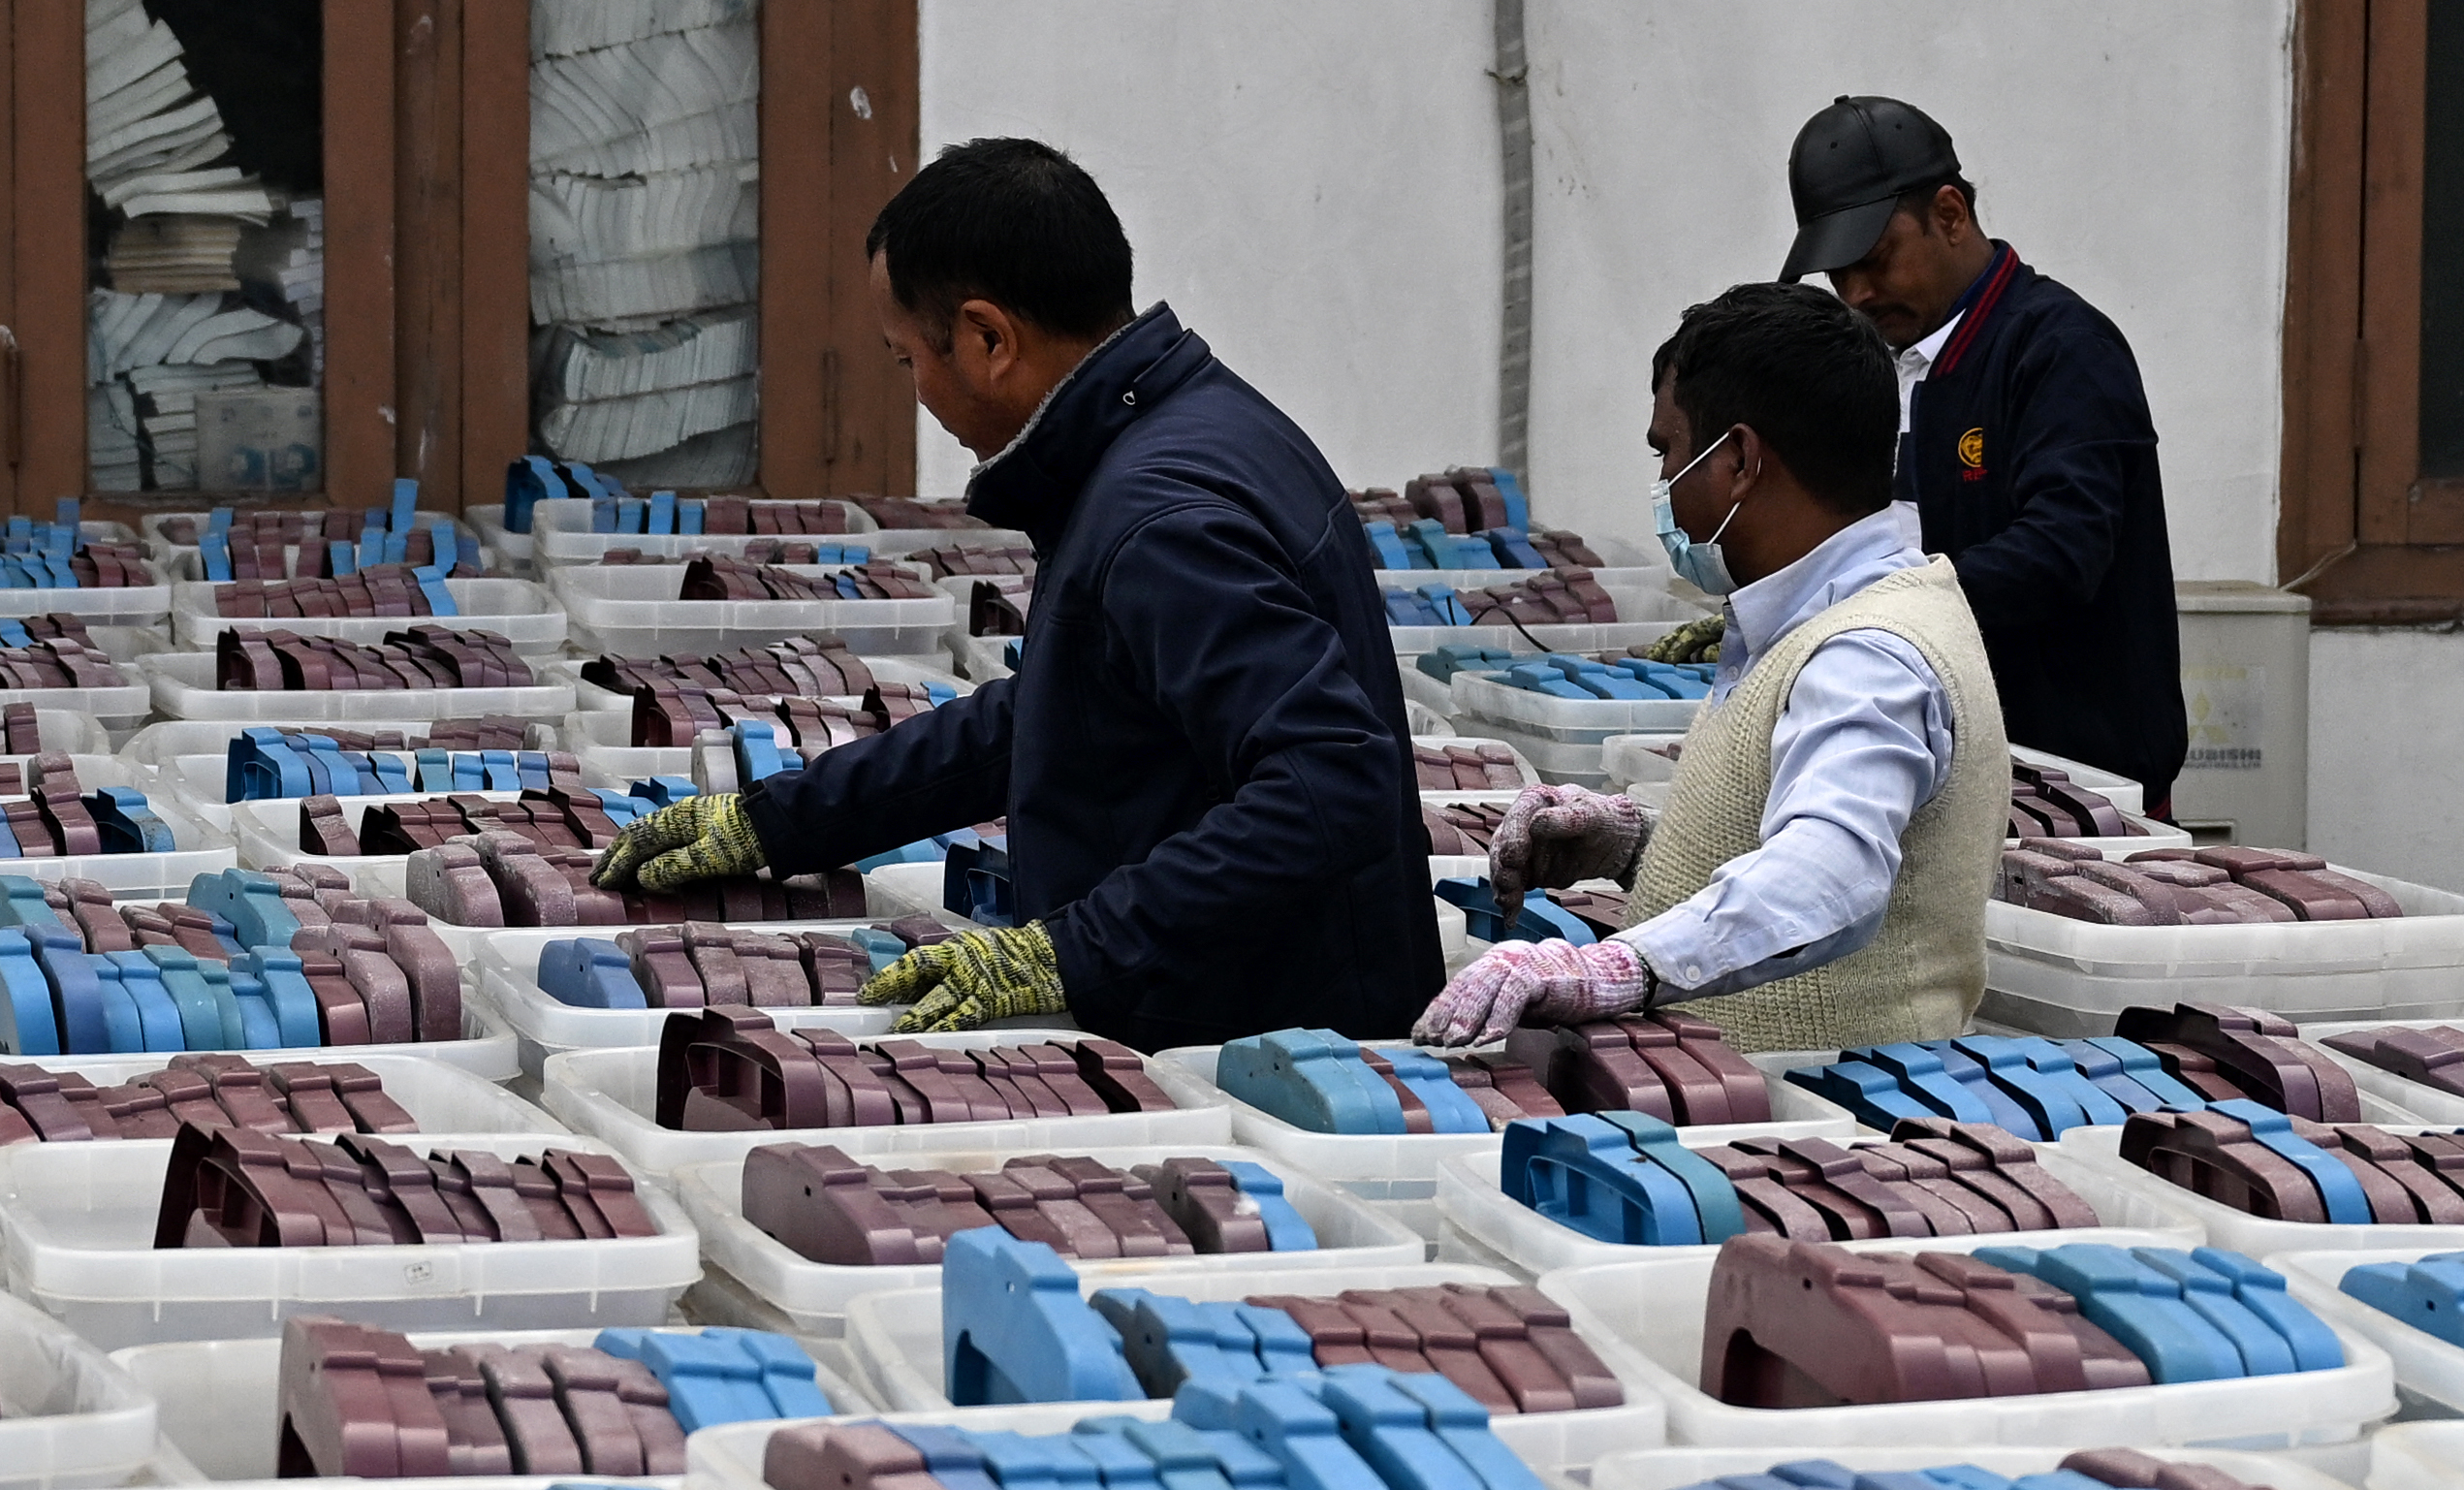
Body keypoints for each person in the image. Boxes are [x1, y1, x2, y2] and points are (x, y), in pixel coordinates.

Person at [586, 137, 1438, 1043]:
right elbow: (1066, 709)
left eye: (909, 359)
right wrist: (782, 823)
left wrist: (1070, 950)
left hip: (1269, 1038)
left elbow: (1330, 782)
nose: (917, 391)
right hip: (1261, 1001)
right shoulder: (1195, 424)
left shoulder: (1159, 516)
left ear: (988, 338)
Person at [1418, 283, 2008, 1051]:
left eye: (1668, 451)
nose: (1663, 484)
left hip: (1822, 1131)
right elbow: (1802, 817)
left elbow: (1830, 875)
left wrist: (1619, 966)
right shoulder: (1822, 615)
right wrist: (1638, 846)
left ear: (1737, 460)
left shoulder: (1869, 652)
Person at [1792, 94, 2188, 801]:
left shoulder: (2062, 350)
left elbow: (2063, 551)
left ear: (1949, 215)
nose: (1855, 293)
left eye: (1876, 260)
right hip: (1941, 774)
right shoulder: (1880, 363)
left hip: (2080, 789)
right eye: (1836, 274)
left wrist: (1879, 605)